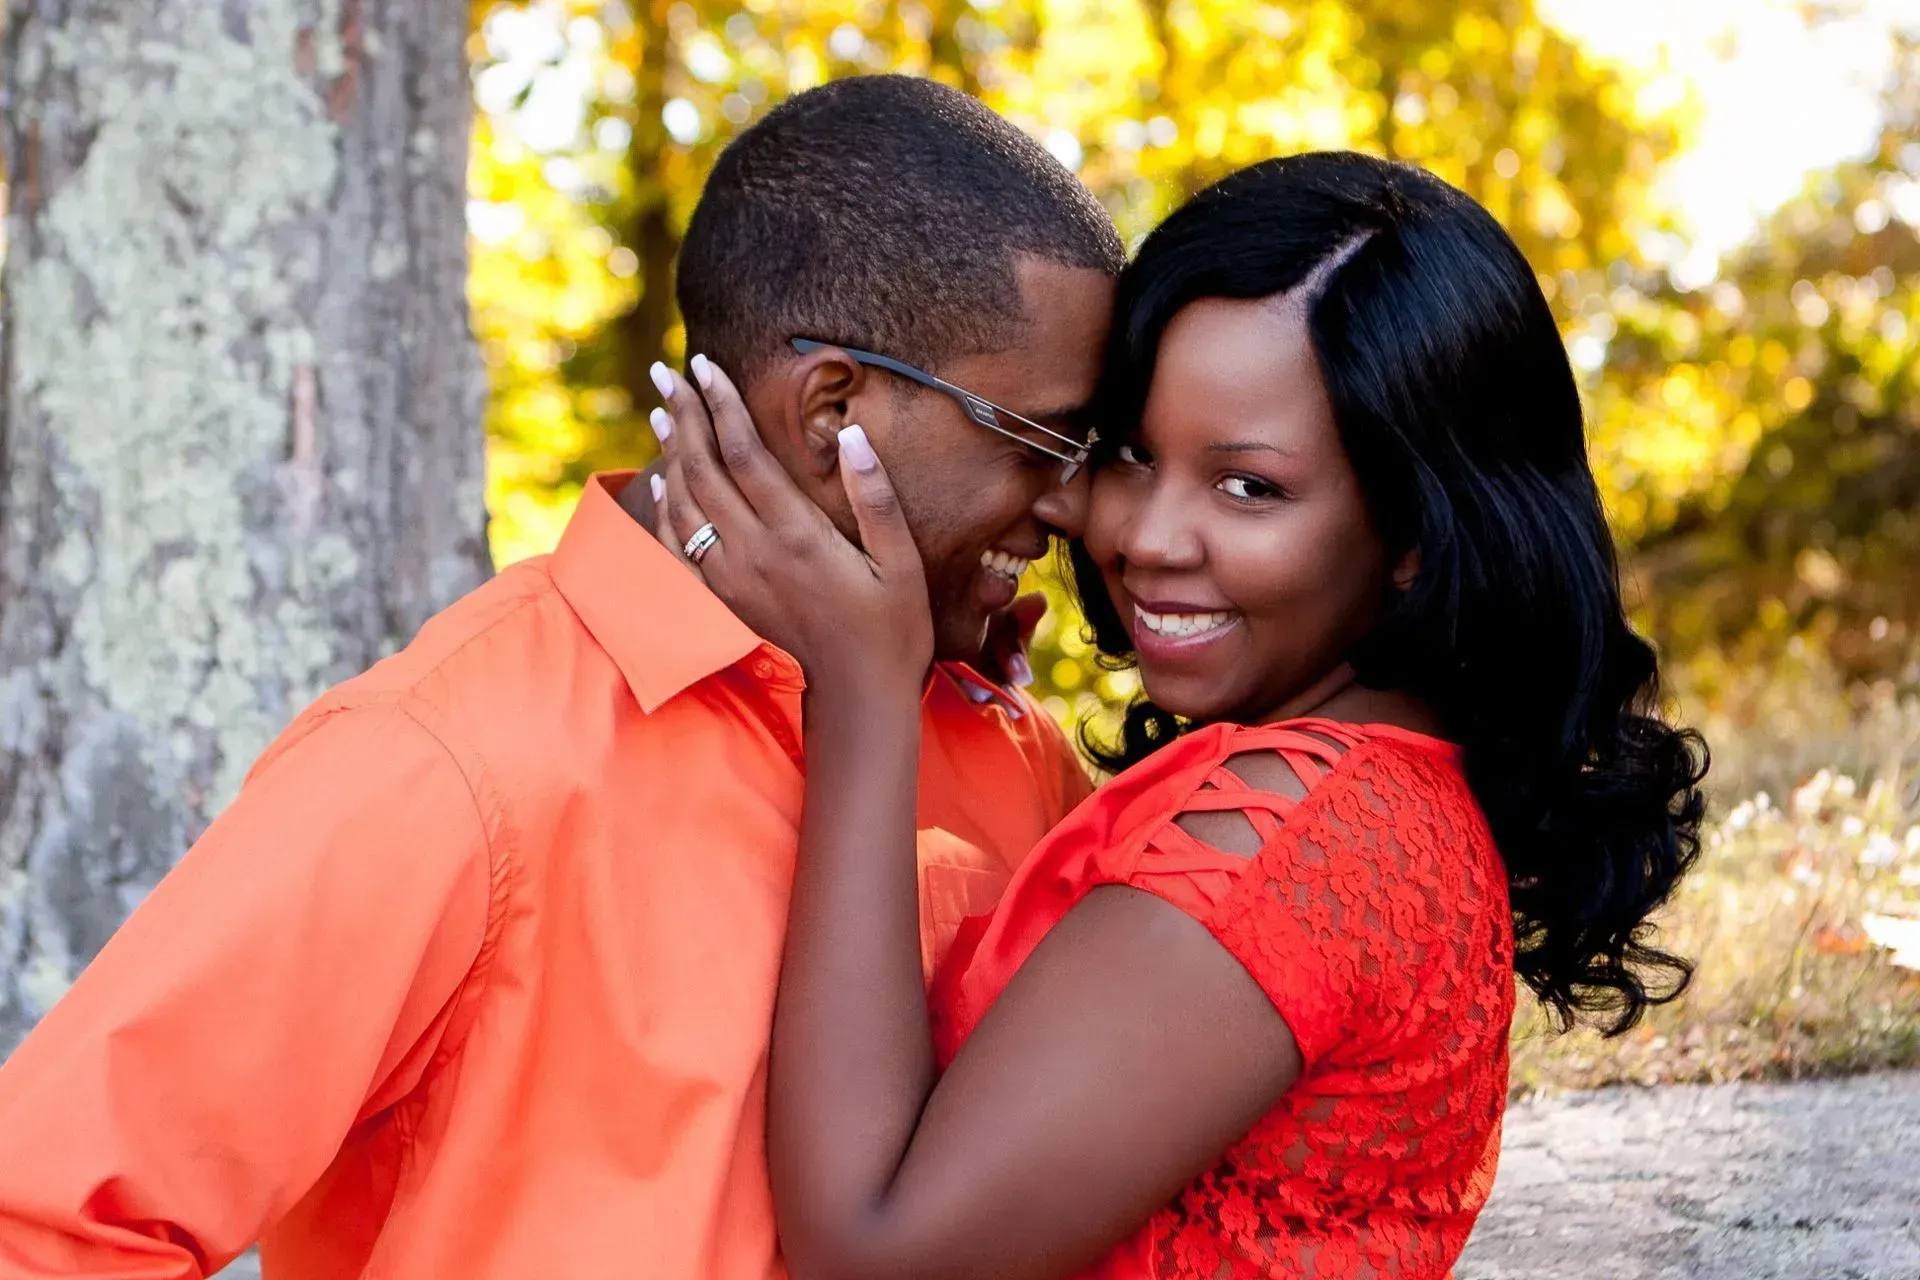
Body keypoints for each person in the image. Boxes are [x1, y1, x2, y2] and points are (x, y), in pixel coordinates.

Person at [0, 76, 1121, 1278]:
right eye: (1042, 443)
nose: (1071, 504)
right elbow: (46, 1221)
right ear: (830, 410)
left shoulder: (1005, 743)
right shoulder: (446, 764)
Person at [649, 151, 1709, 1280]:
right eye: (1132, 455)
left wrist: (863, 700)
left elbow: (874, 1255)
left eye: (1248, 486)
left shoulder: (1288, 838)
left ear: (1414, 534)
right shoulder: (1377, 795)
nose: (1146, 537)